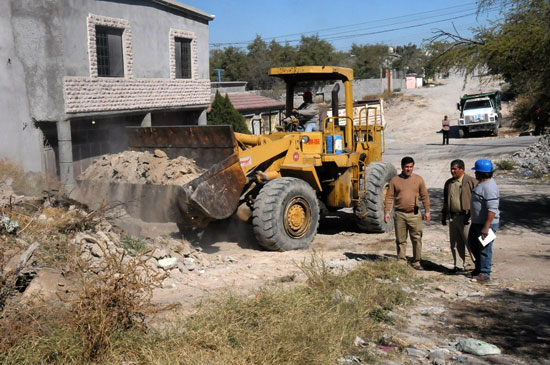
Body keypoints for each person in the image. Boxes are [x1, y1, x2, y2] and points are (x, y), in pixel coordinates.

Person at [384, 156, 431, 269]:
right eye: (406, 167)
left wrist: (427, 211)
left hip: (414, 214)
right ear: (402, 167)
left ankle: (416, 261)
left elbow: (424, 196)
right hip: (399, 214)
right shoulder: (395, 180)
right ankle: (401, 259)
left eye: (411, 167)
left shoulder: (418, 179)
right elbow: (389, 197)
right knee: (400, 239)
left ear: (413, 166)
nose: (408, 169)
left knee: (416, 238)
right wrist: (387, 212)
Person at [441, 159, 477, 273]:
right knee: (455, 243)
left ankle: (479, 265)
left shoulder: (471, 182)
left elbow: (477, 201)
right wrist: (444, 215)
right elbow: (446, 201)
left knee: (471, 242)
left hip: (467, 218)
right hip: (453, 217)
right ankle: (459, 265)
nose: (452, 171)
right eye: (451, 169)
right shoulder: (449, 183)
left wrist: (472, 214)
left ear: (462, 169)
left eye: (455, 169)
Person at [468, 159, 500, 283]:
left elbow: (492, 209)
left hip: (487, 224)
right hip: (477, 222)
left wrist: (486, 227)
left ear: (482, 173)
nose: (475, 173)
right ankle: (479, 268)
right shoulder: (481, 184)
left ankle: (485, 273)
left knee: (485, 248)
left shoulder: (490, 187)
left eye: (477, 171)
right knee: (473, 244)